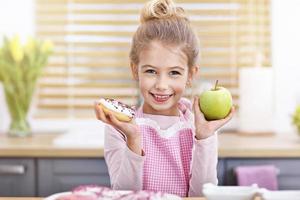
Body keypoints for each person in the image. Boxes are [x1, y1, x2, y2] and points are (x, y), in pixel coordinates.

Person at [94, 0, 235, 197]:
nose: (161, 84)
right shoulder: (120, 128)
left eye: (174, 73)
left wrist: (204, 138)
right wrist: (133, 139)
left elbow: (201, 196)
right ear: (135, 70)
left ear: (191, 75)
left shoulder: (197, 125)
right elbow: (125, 195)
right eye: (151, 71)